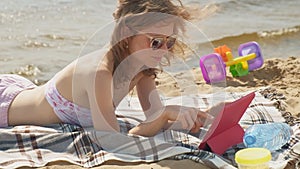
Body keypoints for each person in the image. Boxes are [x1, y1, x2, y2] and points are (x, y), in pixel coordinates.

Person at [0, 0, 209, 137]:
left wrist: (194, 116)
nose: (163, 50)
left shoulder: (142, 68)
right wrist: (163, 115)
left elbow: (155, 117)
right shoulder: (99, 72)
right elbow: (112, 141)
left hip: (27, 92)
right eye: (155, 42)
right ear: (127, 32)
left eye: (169, 42)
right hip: (8, 107)